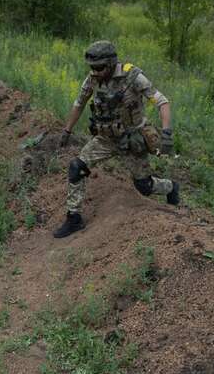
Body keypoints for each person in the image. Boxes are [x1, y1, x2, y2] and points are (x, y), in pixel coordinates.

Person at [54, 40, 178, 238]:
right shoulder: (93, 78)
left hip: (132, 140)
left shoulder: (133, 77)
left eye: (100, 68)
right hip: (105, 138)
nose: (94, 72)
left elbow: (162, 101)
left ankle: (170, 187)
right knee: (77, 167)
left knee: (143, 187)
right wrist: (67, 131)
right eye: (92, 68)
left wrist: (167, 133)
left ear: (111, 64)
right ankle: (74, 218)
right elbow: (79, 103)